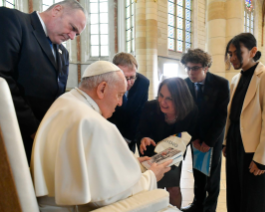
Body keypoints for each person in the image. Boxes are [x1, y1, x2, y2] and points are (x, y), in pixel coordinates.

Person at [31, 61, 176, 212]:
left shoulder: (65, 102)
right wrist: (151, 176)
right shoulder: (91, 121)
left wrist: (134, 163)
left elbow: (85, 164)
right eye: (119, 95)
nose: (120, 103)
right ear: (102, 89)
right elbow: (106, 196)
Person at [0, 0, 87, 162]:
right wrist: (33, 128)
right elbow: (3, 78)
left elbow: (57, 96)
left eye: (77, 34)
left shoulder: (63, 53)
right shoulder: (14, 21)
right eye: (72, 28)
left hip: (40, 139)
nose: (72, 37)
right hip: (12, 133)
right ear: (57, 10)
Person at [222, 33, 265, 212]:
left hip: (254, 149)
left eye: (236, 53)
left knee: (254, 202)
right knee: (234, 195)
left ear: (252, 51)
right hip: (235, 143)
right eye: (230, 53)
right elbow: (232, 115)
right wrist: (226, 141)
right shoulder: (235, 79)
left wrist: (263, 158)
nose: (232, 58)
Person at [181, 49, 230, 212]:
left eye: (194, 68)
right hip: (194, 137)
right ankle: (197, 204)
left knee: (211, 176)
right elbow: (186, 113)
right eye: (187, 68)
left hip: (212, 138)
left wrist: (208, 142)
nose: (190, 72)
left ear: (206, 67)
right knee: (197, 171)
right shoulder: (185, 84)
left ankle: (209, 209)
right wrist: (194, 138)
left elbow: (221, 116)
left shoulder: (220, 84)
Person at [137, 77, 198, 209]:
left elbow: (189, 136)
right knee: (153, 189)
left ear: (180, 99)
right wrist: (143, 139)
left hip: (174, 154)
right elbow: (141, 131)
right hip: (152, 154)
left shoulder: (191, 112)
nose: (162, 102)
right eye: (161, 96)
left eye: (169, 99)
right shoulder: (150, 107)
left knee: (174, 189)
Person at [108, 52, 150, 152]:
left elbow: (139, 114)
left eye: (132, 77)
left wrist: (127, 139)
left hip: (129, 136)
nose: (128, 83)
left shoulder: (143, 83)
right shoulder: (106, 81)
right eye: (124, 77)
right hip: (108, 134)